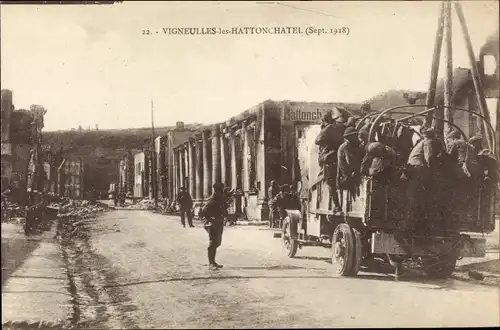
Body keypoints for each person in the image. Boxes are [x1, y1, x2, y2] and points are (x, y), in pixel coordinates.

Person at [405, 127, 444, 234]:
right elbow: (429, 158)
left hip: (414, 169)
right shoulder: (428, 142)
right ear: (433, 135)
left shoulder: (421, 142)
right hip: (419, 169)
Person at [315, 111, 345, 213]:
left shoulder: (328, 128)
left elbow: (317, 140)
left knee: (330, 183)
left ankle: (337, 205)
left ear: (324, 120)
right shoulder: (340, 127)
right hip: (340, 157)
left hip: (330, 158)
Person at [200, 182, 227, 270]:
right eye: (221, 189)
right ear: (217, 190)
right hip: (212, 223)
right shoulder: (212, 199)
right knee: (213, 242)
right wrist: (211, 219)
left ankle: (213, 261)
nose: (222, 191)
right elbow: (203, 212)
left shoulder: (219, 198)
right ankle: (211, 263)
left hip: (218, 222)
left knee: (217, 242)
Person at [337, 127, 364, 194]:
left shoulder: (352, 145)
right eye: (354, 136)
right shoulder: (346, 146)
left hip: (349, 172)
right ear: (349, 137)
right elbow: (350, 162)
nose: (356, 137)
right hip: (347, 174)